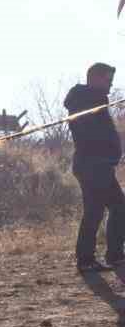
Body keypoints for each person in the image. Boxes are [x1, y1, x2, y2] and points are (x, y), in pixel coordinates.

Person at [66, 62, 122, 273]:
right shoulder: (82, 98)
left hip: (99, 165)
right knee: (103, 210)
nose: (110, 85)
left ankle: (104, 256)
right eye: (108, 80)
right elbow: (88, 128)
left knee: (109, 208)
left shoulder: (96, 100)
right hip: (92, 165)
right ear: (96, 78)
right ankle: (94, 258)